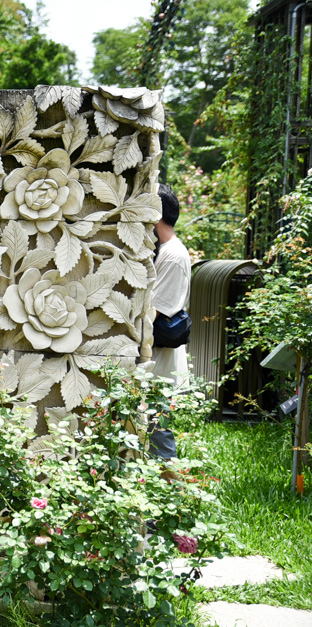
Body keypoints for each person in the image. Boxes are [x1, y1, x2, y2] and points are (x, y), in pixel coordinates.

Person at [150, 183, 191, 460]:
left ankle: (172, 493)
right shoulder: (165, 250)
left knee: (158, 429)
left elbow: (157, 310)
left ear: (155, 213)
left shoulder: (173, 255)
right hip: (156, 359)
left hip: (160, 362)